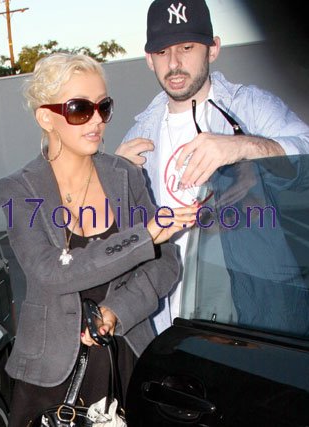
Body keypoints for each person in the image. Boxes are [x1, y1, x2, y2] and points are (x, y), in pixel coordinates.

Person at [0, 53, 197, 426]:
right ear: (46, 117)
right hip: (50, 373)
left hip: (124, 355)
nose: (96, 121)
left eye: (103, 107)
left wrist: (116, 311)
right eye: (79, 109)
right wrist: (144, 236)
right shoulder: (18, 189)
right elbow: (49, 273)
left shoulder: (125, 175)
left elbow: (165, 262)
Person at [116, 0, 309, 334]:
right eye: (162, 52)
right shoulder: (138, 136)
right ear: (149, 59)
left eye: (187, 47)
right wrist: (112, 178)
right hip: (169, 319)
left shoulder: (250, 106)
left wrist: (244, 146)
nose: (174, 63)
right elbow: (115, 238)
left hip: (259, 312)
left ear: (213, 48)